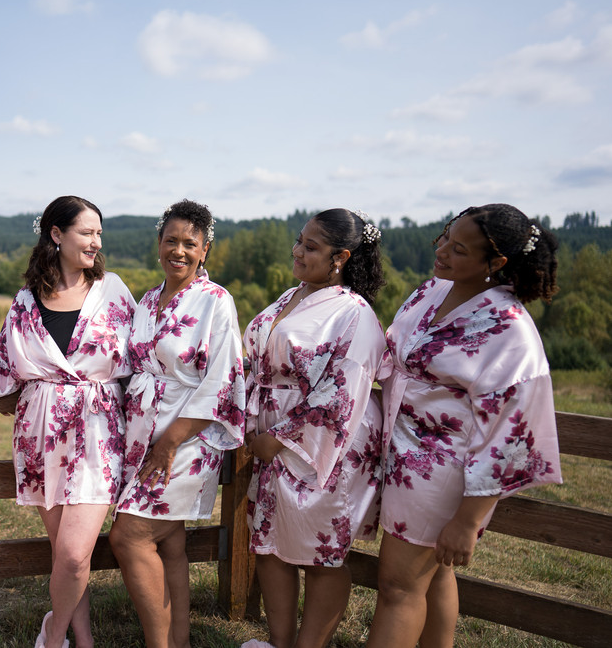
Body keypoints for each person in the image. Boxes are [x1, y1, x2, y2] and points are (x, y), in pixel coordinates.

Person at [365, 203, 563, 648]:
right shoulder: (434, 290)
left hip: (445, 470)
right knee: (431, 578)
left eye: (458, 249)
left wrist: (467, 521)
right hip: (401, 452)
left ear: (497, 264)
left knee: (399, 586)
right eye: (444, 238)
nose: (443, 252)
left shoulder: (510, 332)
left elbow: (511, 435)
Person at [0, 195, 135, 648]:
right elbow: (4, 366)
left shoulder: (114, 292)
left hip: (98, 434)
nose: (96, 242)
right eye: (87, 232)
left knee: (73, 554)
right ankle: (82, 641)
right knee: (64, 557)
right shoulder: (26, 301)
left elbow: (142, 356)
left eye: (99, 233)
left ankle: (52, 633)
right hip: (40, 436)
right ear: (57, 235)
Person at [241, 208, 387, 648]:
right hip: (269, 438)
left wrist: (279, 438)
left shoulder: (353, 313)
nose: (298, 251)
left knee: (320, 556)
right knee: (268, 547)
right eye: (299, 241)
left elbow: (344, 388)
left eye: (310, 246)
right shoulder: (293, 294)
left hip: (324, 445)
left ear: (340, 257)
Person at [109, 199, 246, 648]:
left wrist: (170, 441)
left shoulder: (215, 301)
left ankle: (158, 644)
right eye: (172, 240)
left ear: (205, 250)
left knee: (129, 536)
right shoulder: (147, 299)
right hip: (142, 433)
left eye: (191, 243)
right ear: (159, 243)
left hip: (186, 436)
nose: (179, 251)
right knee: (170, 544)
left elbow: (221, 378)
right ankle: (179, 640)